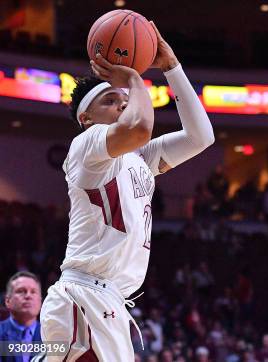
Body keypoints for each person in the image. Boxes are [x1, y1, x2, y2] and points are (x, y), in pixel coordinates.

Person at [40, 21, 215, 361]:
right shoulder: (87, 145)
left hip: (111, 302)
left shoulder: (139, 158)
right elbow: (138, 127)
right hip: (84, 295)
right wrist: (134, 79)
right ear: (87, 118)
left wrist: (172, 68)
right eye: (110, 100)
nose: (123, 104)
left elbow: (201, 137)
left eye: (124, 100)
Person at [0, 272, 42, 362]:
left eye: (33, 292)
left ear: (40, 302)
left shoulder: (53, 335)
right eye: (21, 291)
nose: (28, 296)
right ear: (7, 301)